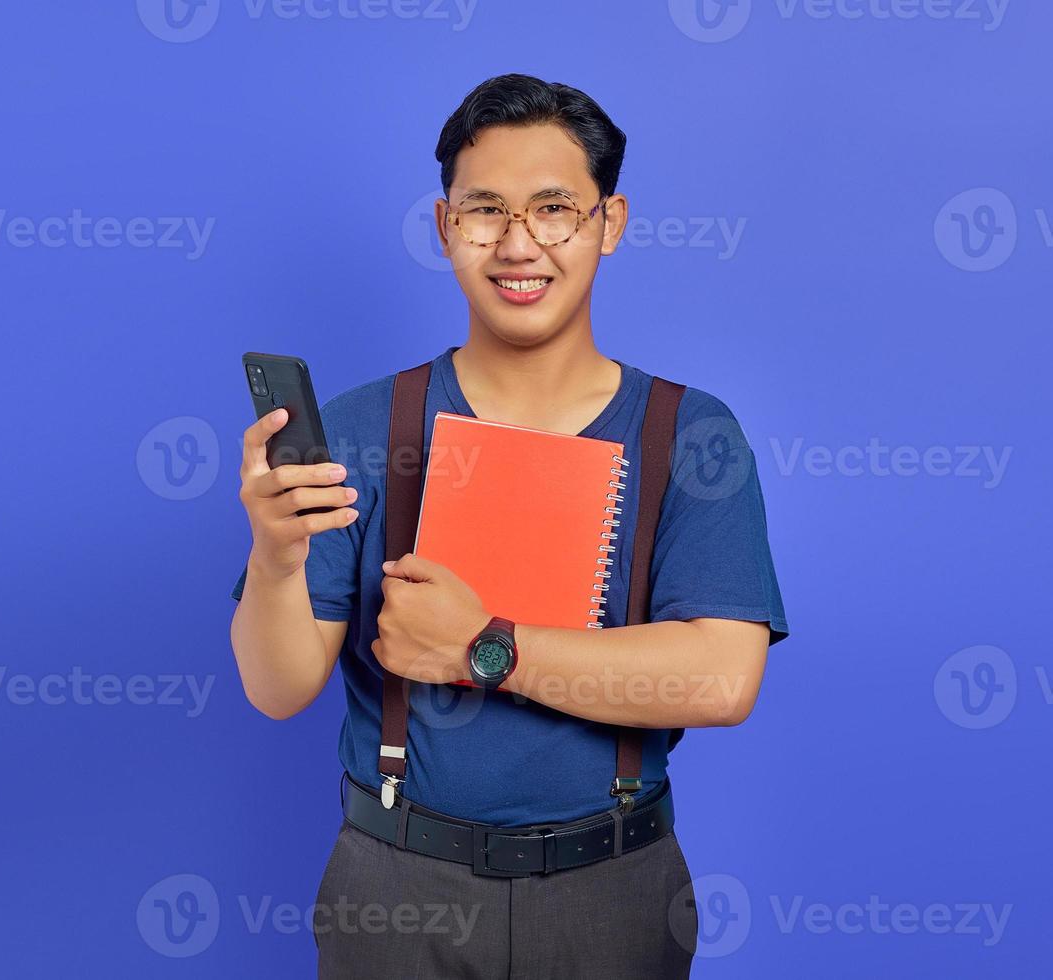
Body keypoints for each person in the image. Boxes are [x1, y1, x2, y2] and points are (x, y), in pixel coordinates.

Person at [230, 72, 789, 979]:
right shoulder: (366, 428)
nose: (518, 244)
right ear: (447, 227)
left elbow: (722, 677)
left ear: (609, 223)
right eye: (484, 210)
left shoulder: (690, 435)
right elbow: (277, 685)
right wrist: (275, 556)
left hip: (613, 883)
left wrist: (482, 646)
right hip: (396, 883)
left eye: (554, 209)